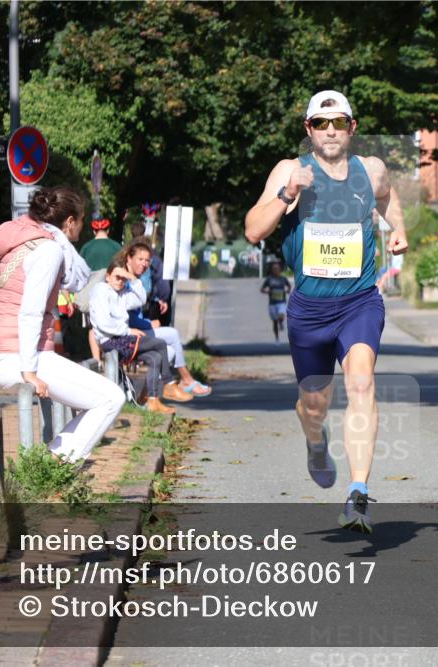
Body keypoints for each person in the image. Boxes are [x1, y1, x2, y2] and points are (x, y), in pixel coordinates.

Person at [244, 90, 408, 533]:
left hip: (359, 301)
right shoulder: (290, 170)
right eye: (321, 123)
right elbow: (253, 230)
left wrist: (398, 231)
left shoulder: (370, 169)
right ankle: (316, 441)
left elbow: (388, 199)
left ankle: (358, 493)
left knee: (361, 381)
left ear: (352, 128)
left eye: (338, 123)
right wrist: (286, 194)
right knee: (314, 403)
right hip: (309, 309)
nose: (330, 131)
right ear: (309, 129)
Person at [0, 186, 124, 463]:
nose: (81, 229)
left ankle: (52, 464)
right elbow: (30, 312)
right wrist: (29, 371)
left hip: (8, 353)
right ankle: (52, 466)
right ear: (69, 221)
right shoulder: (49, 250)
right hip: (18, 357)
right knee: (110, 398)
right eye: (81, 221)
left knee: (102, 399)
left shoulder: (25, 243)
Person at [118, 242, 211, 398]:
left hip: (137, 330)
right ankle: (186, 380)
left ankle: (146, 397)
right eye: (140, 259)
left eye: (147, 260)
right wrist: (148, 323)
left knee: (170, 352)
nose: (144, 264)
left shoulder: (135, 278)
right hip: (125, 334)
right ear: (129, 258)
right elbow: (125, 314)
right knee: (172, 334)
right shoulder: (124, 279)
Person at [88, 259, 179, 414]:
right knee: (160, 344)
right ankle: (169, 383)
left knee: (155, 358)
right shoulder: (101, 290)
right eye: (117, 277)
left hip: (121, 338)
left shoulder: (121, 294)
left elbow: (140, 300)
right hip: (112, 341)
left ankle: (152, 400)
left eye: (123, 279)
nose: (120, 281)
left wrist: (133, 278)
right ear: (108, 276)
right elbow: (104, 323)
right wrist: (128, 331)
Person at [260, 261, 291, 343]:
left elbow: (289, 286)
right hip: (272, 303)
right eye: (274, 269)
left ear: (280, 270)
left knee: (281, 316)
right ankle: (277, 339)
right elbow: (262, 289)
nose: (276, 270)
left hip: (281, 302)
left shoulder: (283, 278)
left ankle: (281, 322)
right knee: (274, 322)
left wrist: (288, 290)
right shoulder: (269, 279)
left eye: (277, 268)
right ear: (272, 270)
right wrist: (267, 292)